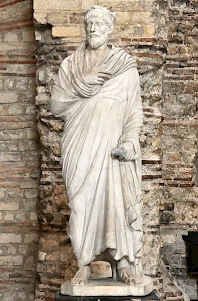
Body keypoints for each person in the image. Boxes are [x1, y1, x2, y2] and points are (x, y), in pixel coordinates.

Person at [50, 5, 144, 285]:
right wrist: (83, 83)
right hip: (80, 145)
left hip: (113, 147)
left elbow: (134, 112)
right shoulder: (71, 65)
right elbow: (56, 104)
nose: (94, 30)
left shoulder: (124, 66)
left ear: (110, 29)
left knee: (116, 204)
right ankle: (84, 263)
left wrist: (129, 141)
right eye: (89, 25)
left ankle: (124, 263)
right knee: (80, 204)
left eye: (100, 25)